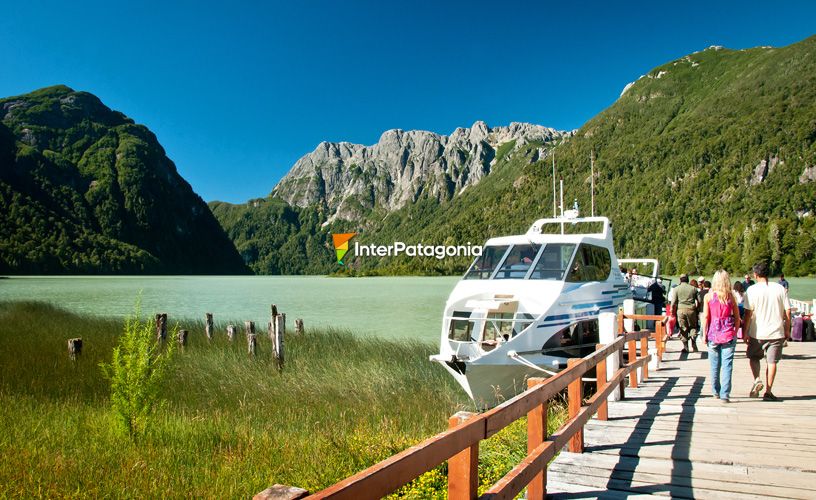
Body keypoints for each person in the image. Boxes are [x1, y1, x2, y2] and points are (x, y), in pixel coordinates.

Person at [743, 262, 791, 401]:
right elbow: (787, 311)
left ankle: (757, 379)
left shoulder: (751, 290)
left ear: (755, 275)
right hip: (776, 331)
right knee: (772, 362)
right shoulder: (780, 289)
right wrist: (787, 329)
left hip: (757, 331)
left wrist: (745, 332)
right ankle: (769, 391)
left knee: (753, 358)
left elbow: (748, 314)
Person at [702, 270, 740, 403]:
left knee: (714, 365)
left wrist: (703, 334)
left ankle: (715, 391)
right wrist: (735, 332)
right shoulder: (731, 296)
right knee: (727, 364)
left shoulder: (708, 296)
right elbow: (737, 317)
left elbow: (706, 317)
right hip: (728, 333)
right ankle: (725, 394)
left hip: (713, 333)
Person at [671, 274, 700, 352]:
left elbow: (673, 302)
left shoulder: (676, 289)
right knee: (693, 327)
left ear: (680, 280)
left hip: (681, 310)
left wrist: (671, 311)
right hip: (692, 310)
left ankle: (685, 346)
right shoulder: (694, 289)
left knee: (683, 328)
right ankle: (693, 342)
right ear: (687, 279)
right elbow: (699, 300)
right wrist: (697, 309)